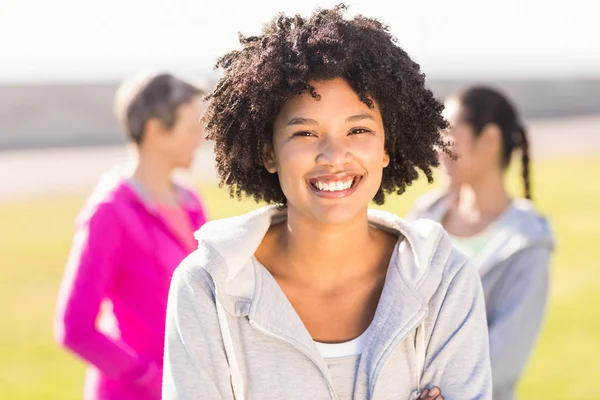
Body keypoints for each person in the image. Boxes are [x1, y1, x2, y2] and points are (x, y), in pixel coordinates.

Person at [162, 5, 492, 400]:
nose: (334, 156)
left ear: (386, 146)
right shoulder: (207, 286)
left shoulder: (444, 281)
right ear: (269, 153)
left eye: (358, 129)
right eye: (305, 133)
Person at [54, 71, 209, 400]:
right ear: (156, 130)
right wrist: (147, 376)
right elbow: (74, 328)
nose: (201, 137)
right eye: (192, 127)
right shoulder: (109, 212)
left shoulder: (192, 203)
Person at [407, 86, 555, 400]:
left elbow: (501, 362)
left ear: (488, 139)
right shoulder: (424, 215)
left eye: (448, 134)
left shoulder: (528, 245)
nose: (438, 147)